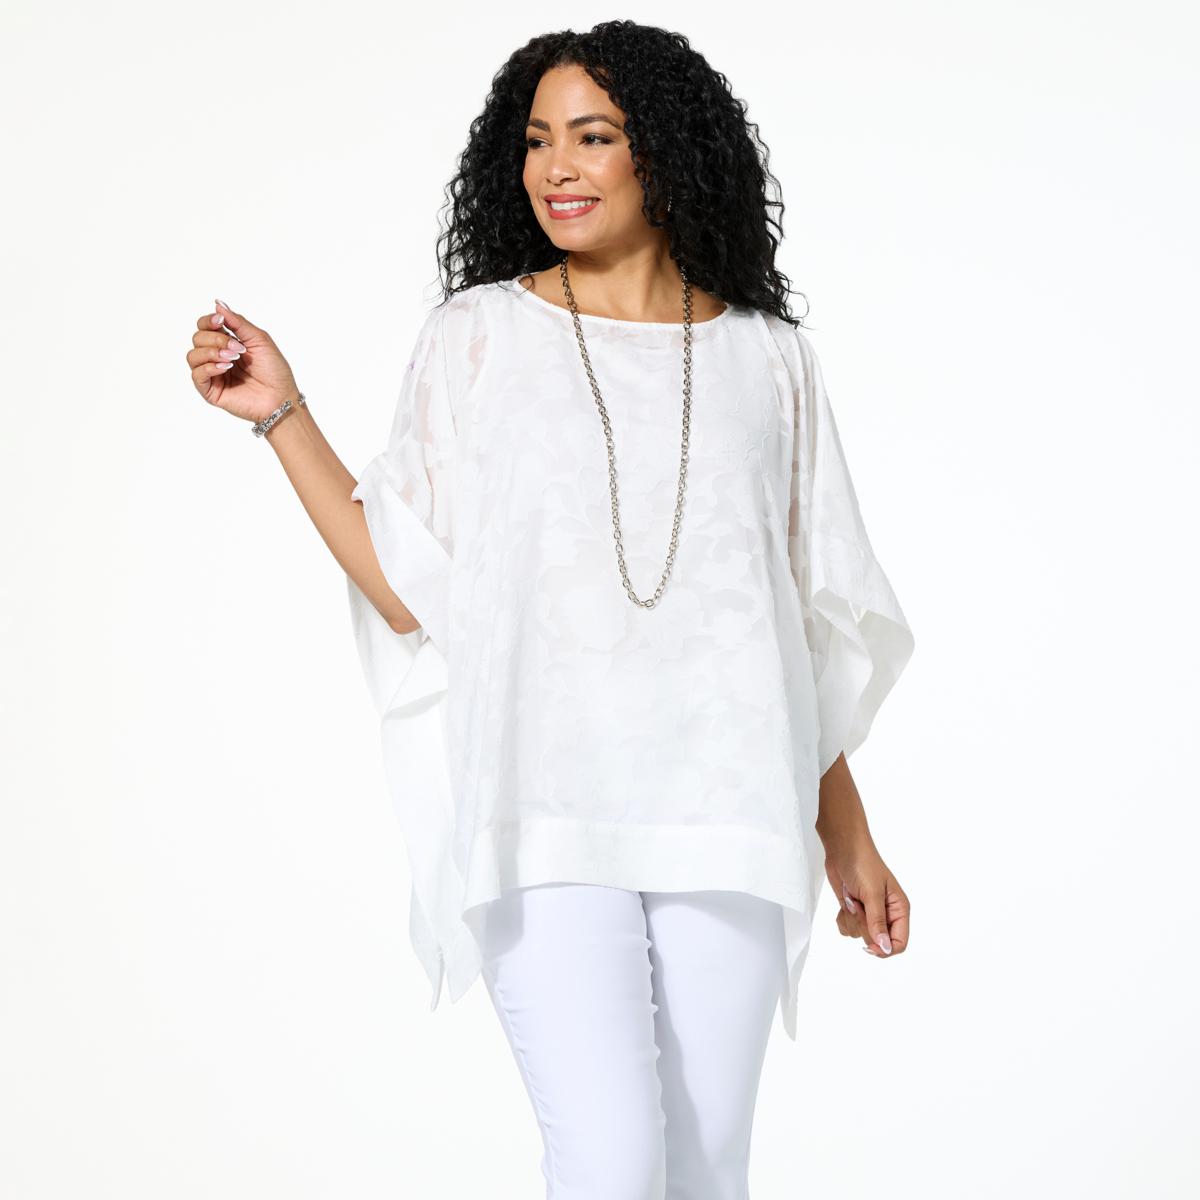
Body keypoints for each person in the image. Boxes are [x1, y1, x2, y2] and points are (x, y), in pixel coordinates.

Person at [185, 19, 915, 1200]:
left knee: (708, 1173)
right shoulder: (479, 337)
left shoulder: (769, 359)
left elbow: (795, 625)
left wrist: (850, 832)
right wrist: (282, 413)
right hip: (546, 813)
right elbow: (408, 584)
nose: (555, 168)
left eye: (592, 137)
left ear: (664, 150)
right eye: (535, 141)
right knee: (612, 1165)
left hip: (731, 813)